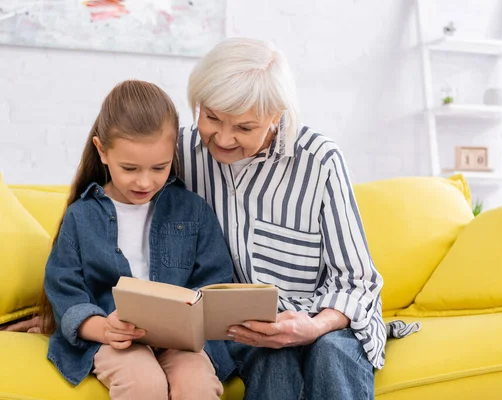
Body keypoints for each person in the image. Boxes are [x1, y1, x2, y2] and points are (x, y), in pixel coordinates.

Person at [179, 37, 386, 400]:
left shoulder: (319, 160)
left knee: (331, 355)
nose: (223, 138)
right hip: (242, 330)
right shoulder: (179, 153)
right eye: (211, 117)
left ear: (278, 116)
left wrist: (314, 326)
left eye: (244, 128)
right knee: (274, 361)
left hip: (325, 320)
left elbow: (357, 282)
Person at [39, 80, 233, 400]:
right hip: (111, 338)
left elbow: (214, 280)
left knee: (197, 386)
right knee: (144, 384)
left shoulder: (193, 210)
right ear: (102, 151)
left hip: (179, 341)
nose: (145, 181)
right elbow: (65, 291)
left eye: (160, 167)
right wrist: (102, 328)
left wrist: (188, 321)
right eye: (129, 168)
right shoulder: (82, 217)